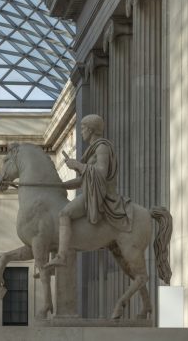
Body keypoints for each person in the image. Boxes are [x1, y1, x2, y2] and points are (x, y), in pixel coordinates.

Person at [44, 114, 131, 268]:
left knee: (64, 214)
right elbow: (82, 180)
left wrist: (77, 165)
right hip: (90, 193)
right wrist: (60, 186)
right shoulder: (92, 150)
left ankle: (62, 256)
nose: (81, 131)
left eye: (83, 128)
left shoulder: (102, 147)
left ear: (91, 130)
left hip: (99, 196)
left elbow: (101, 173)